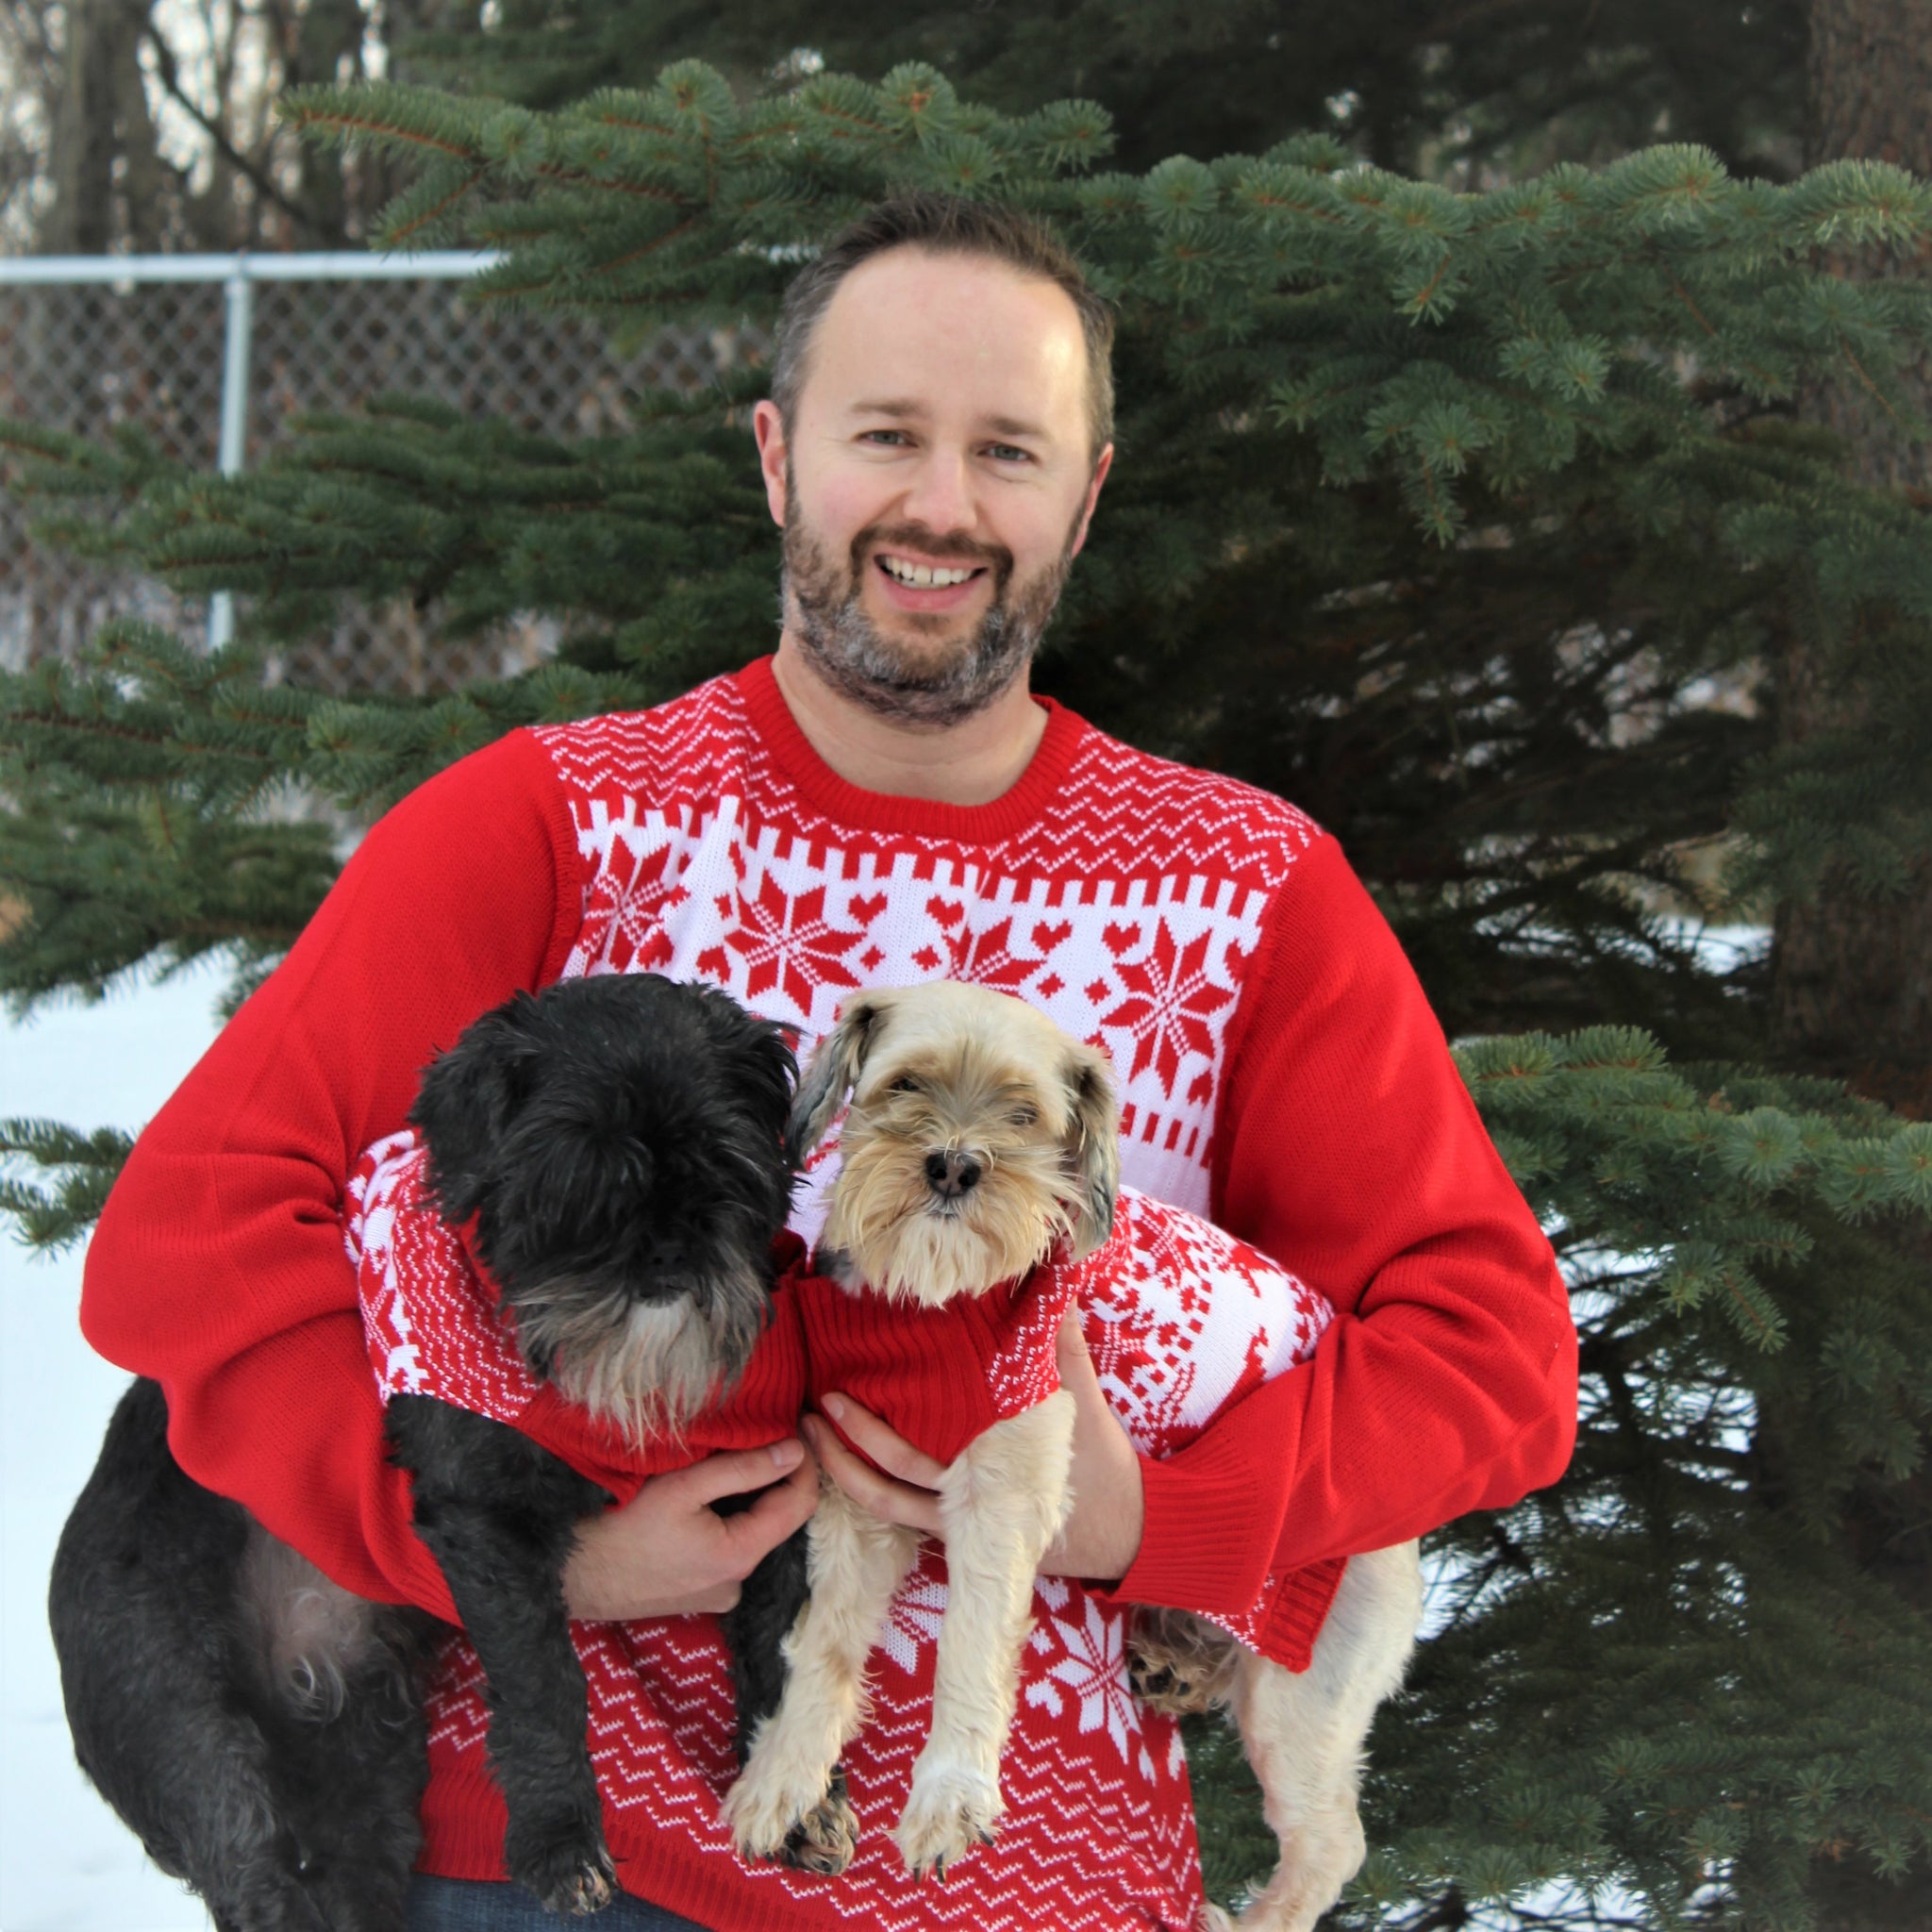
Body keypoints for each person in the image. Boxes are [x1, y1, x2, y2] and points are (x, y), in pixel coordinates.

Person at [80, 193, 1578, 1932]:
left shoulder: (1247, 890)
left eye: (1006, 449)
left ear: (1083, 496)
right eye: (887, 436)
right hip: (577, 1867)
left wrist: (1151, 1513)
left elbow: (1492, 1362)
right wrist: (509, 1551)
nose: (942, 506)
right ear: (781, 458)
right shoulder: (549, 823)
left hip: (1039, 1876)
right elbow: (187, 1239)